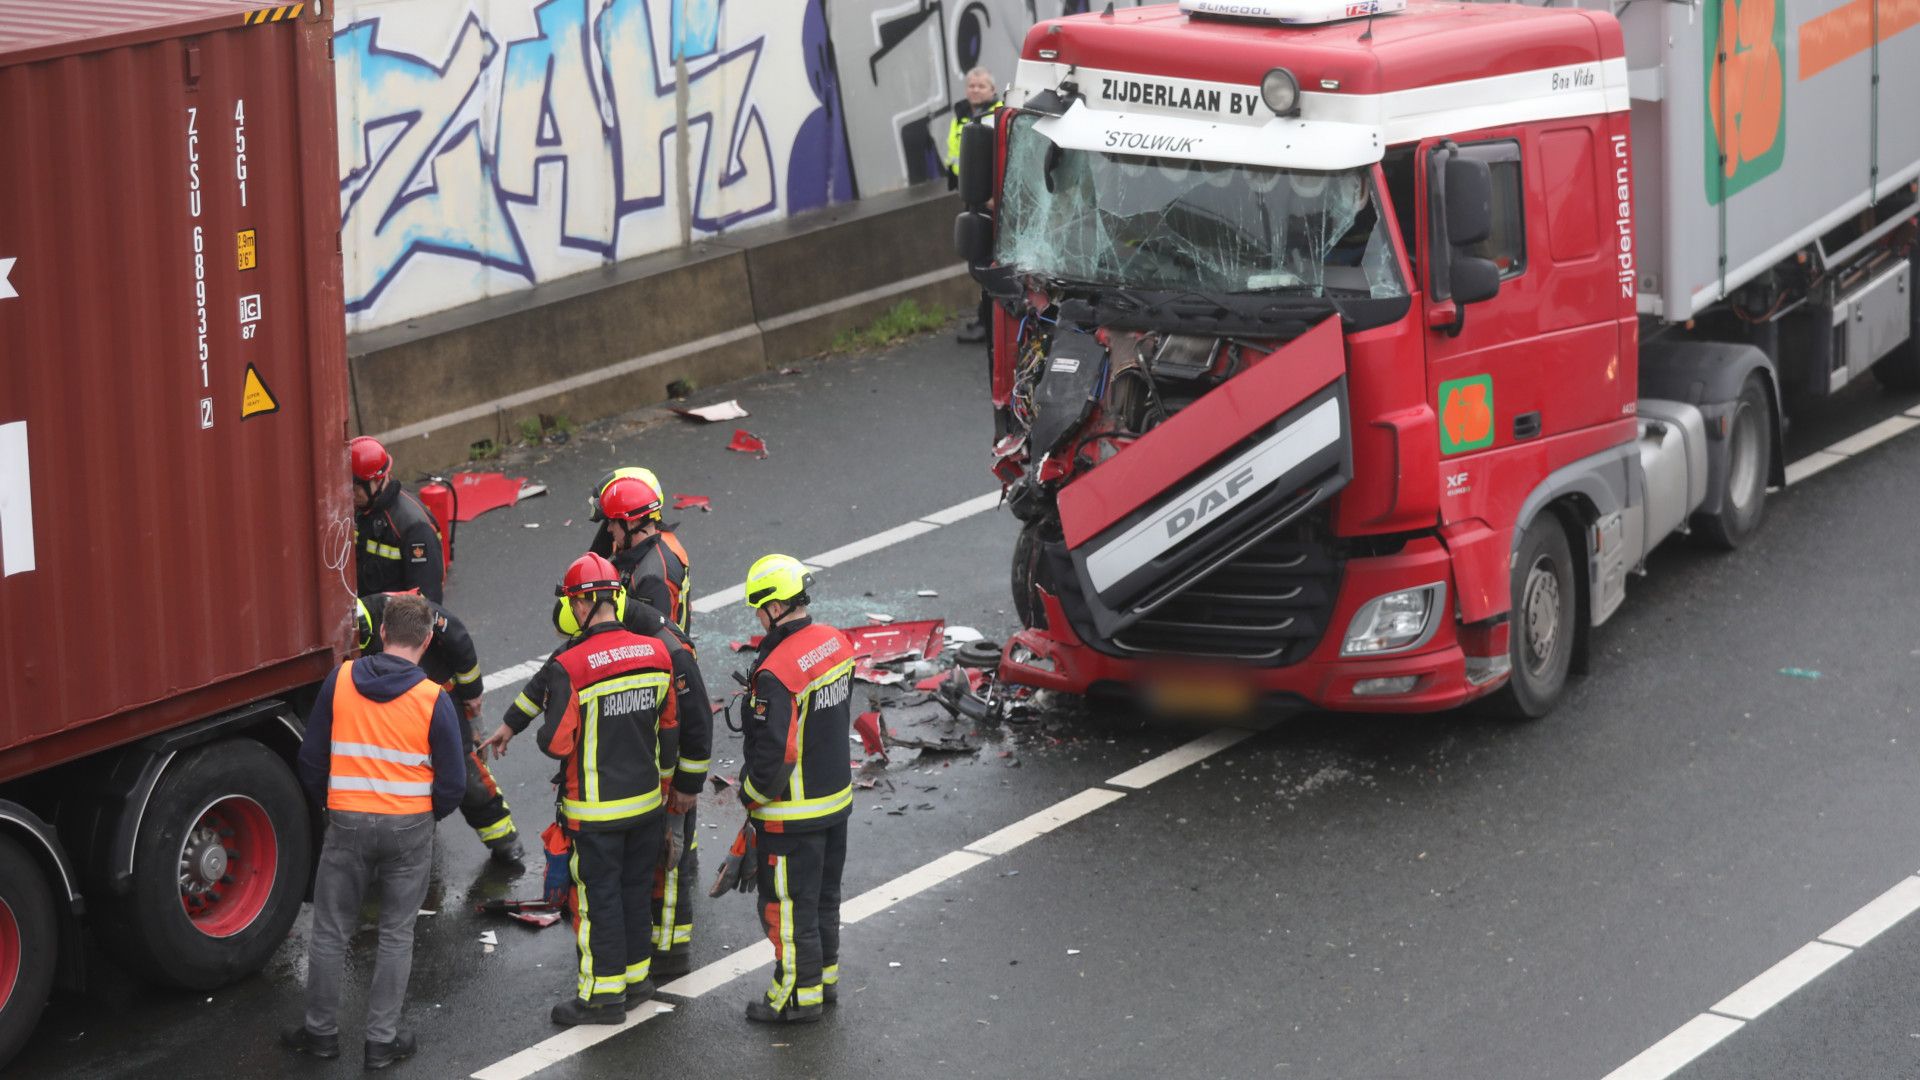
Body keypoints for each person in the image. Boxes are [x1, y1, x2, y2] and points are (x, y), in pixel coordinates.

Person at [480, 553, 679, 1025]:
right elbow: (669, 729)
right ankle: (635, 982)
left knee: (596, 902)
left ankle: (601, 998)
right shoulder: (656, 652)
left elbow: (556, 742)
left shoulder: (574, 664)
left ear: (586, 602)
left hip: (596, 814)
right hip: (647, 805)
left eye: (572, 602)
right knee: (634, 893)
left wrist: (551, 727)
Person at [283, 594, 467, 1069]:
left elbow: (310, 758)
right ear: (426, 642)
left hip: (346, 820)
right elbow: (453, 782)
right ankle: (381, 1044)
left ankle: (320, 1035)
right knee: (395, 934)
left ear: (382, 632)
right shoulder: (433, 699)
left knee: (329, 932)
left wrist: (333, 803)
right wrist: (426, 817)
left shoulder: (341, 680)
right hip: (408, 828)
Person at [735, 554, 855, 1023]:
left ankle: (792, 999)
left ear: (773, 606)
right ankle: (823, 984)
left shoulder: (776, 670)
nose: (757, 619)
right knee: (825, 901)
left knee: (786, 909)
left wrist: (749, 794)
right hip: (836, 803)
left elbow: (776, 756)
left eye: (758, 609)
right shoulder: (836, 643)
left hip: (793, 814)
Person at [355, 592, 523, 863]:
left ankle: (504, 839)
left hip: (438, 698)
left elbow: (458, 638)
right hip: (394, 710)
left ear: (382, 629)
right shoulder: (347, 631)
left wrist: (472, 693)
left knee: (467, 774)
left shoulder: (402, 611)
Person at [593, 471, 694, 635]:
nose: (609, 528)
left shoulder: (651, 577)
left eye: (612, 522)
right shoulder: (639, 549)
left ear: (632, 523)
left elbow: (651, 641)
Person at [351, 436, 445, 603]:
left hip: (393, 625)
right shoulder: (362, 511)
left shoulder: (414, 528)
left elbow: (425, 604)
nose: (350, 492)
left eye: (355, 485)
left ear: (377, 480)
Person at [946, 66, 1002, 345]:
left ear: (993, 90)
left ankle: (990, 324)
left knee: (989, 264)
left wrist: (994, 195)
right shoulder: (962, 115)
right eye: (971, 85)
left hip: (991, 201)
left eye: (981, 86)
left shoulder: (1000, 116)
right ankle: (986, 321)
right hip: (971, 197)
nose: (975, 90)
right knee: (977, 263)